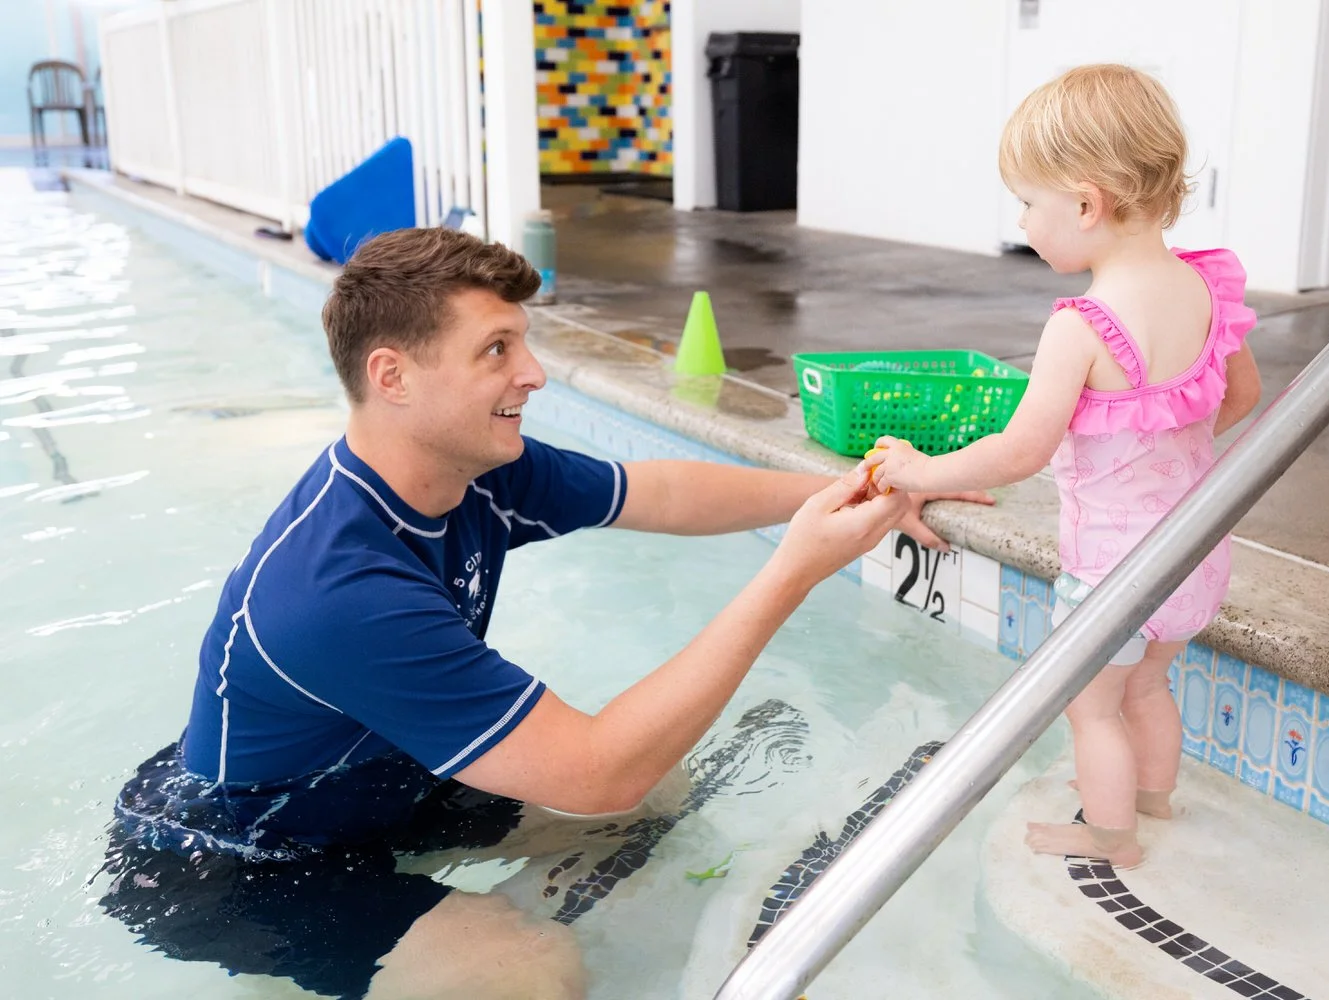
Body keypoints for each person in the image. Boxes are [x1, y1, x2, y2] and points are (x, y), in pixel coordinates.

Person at [97, 226, 991, 1000]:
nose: (534, 374)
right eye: (497, 351)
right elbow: (598, 772)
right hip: (243, 861)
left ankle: (427, 934)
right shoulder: (339, 592)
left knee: (664, 791)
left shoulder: (475, 471)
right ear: (393, 375)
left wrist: (852, 489)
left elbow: (663, 490)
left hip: (376, 786)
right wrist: (796, 570)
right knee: (527, 963)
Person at [862, 64, 1263, 869]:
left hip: (1114, 571)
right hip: (1193, 555)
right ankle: (1155, 801)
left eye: (1026, 203)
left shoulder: (1083, 326)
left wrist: (919, 468)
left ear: (1085, 205)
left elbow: (1020, 452)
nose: (1021, 219)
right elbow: (1242, 395)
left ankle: (1112, 836)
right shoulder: (1204, 287)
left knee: (1093, 710)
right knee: (1149, 687)